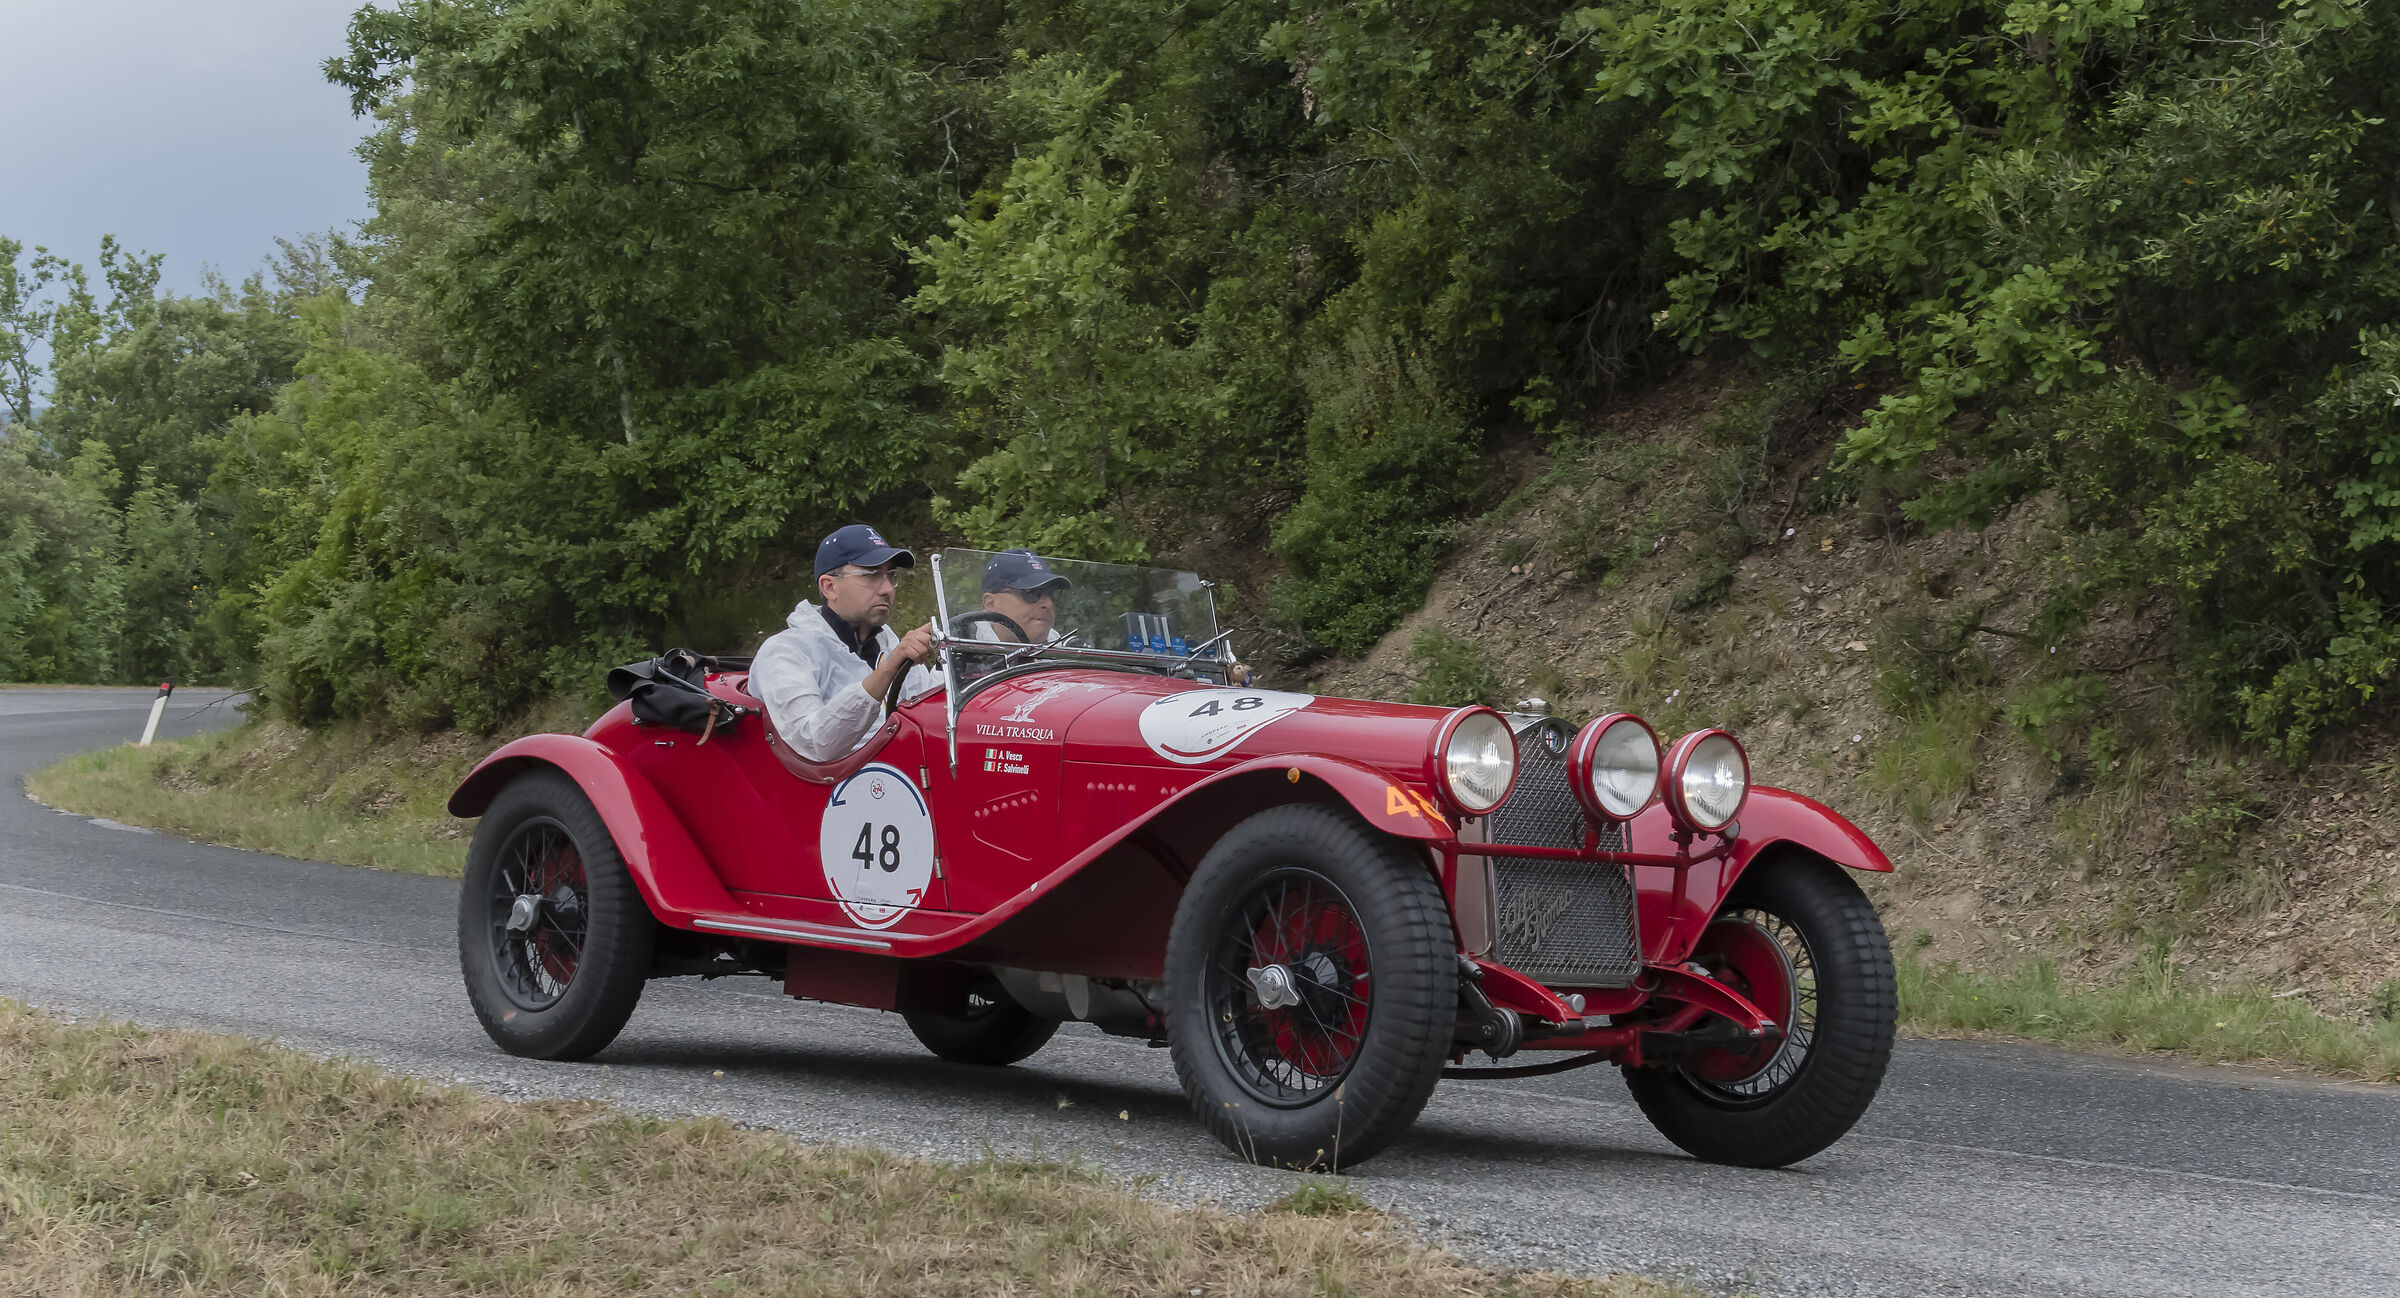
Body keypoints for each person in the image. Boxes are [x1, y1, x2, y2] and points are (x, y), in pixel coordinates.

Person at [750, 524, 939, 762]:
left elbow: (928, 699)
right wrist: (889, 669)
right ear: (830, 587)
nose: (888, 589)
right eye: (871, 575)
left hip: (896, 779)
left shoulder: (886, 641)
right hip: (823, 794)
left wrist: (965, 662)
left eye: (891, 575)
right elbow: (814, 743)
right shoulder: (785, 651)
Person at [974, 548, 1071, 643]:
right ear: (991, 603)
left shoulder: (1069, 653)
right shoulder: (963, 650)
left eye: (1051, 594)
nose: (1048, 604)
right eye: (1031, 593)